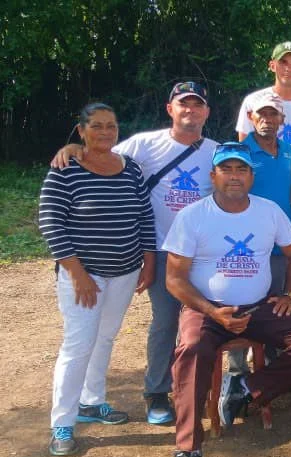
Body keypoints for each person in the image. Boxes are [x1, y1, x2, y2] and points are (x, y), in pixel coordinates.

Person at [50, 82, 219, 426]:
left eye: (197, 105)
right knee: (165, 322)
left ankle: (208, 391)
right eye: (183, 104)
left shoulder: (216, 151)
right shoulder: (144, 144)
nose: (190, 110)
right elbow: (100, 153)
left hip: (205, 255)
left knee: (210, 320)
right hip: (162, 252)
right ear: (170, 109)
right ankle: (157, 392)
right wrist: (72, 146)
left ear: (207, 112)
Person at [164, 143, 291, 457]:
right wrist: (210, 311)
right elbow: (174, 280)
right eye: (226, 169)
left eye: (241, 170)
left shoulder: (269, 211)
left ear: (251, 176)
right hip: (206, 309)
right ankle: (189, 450)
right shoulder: (192, 216)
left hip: (258, 307)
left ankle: (249, 388)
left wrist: (290, 295)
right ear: (213, 175)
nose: (234, 177)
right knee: (191, 351)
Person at [40, 104, 157, 456]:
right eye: (97, 126)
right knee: (78, 345)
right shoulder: (65, 169)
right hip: (83, 277)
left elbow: (145, 218)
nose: (105, 132)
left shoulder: (130, 169)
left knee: (105, 337)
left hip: (125, 272)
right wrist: (78, 274)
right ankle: (62, 422)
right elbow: (50, 222)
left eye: (111, 126)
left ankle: (92, 401)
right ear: (81, 130)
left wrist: (148, 263)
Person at [223, 94, 291, 380]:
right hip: (245, 244)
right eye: (262, 115)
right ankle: (237, 372)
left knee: (274, 301)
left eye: (273, 115)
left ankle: (270, 370)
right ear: (252, 118)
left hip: (279, 242)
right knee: (241, 302)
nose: (268, 120)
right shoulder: (239, 152)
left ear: (282, 120)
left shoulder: (289, 151)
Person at [236, 41, 291, 155]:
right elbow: (244, 147)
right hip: (264, 171)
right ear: (272, 66)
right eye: (283, 62)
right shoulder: (252, 101)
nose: (288, 68)